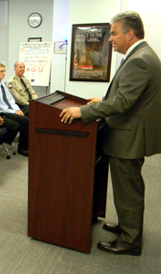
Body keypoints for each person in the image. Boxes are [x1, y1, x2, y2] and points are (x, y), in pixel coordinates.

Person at [59, 11, 161, 256]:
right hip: (132, 134)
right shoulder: (141, 54)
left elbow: (124, 102)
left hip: (129, 138)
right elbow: (131, 96)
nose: (110, 39)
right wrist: (103, 100)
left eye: (114, 34)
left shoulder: (139, 59)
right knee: (129, 188)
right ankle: (129, 228)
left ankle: (130, 242)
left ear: (129, 33)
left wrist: (84, 111)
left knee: (128, 191)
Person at [0, 63, 29, 156]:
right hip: (1, 113)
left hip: (9, 110)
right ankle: (22, 148)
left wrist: (17, 110)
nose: (4, 73)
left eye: (4, 71)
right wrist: (14, 112)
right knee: (25, 121)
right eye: (1, 71)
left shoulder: (3, 84)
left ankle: (7, 141)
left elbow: (10, 100)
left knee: (25, 116)